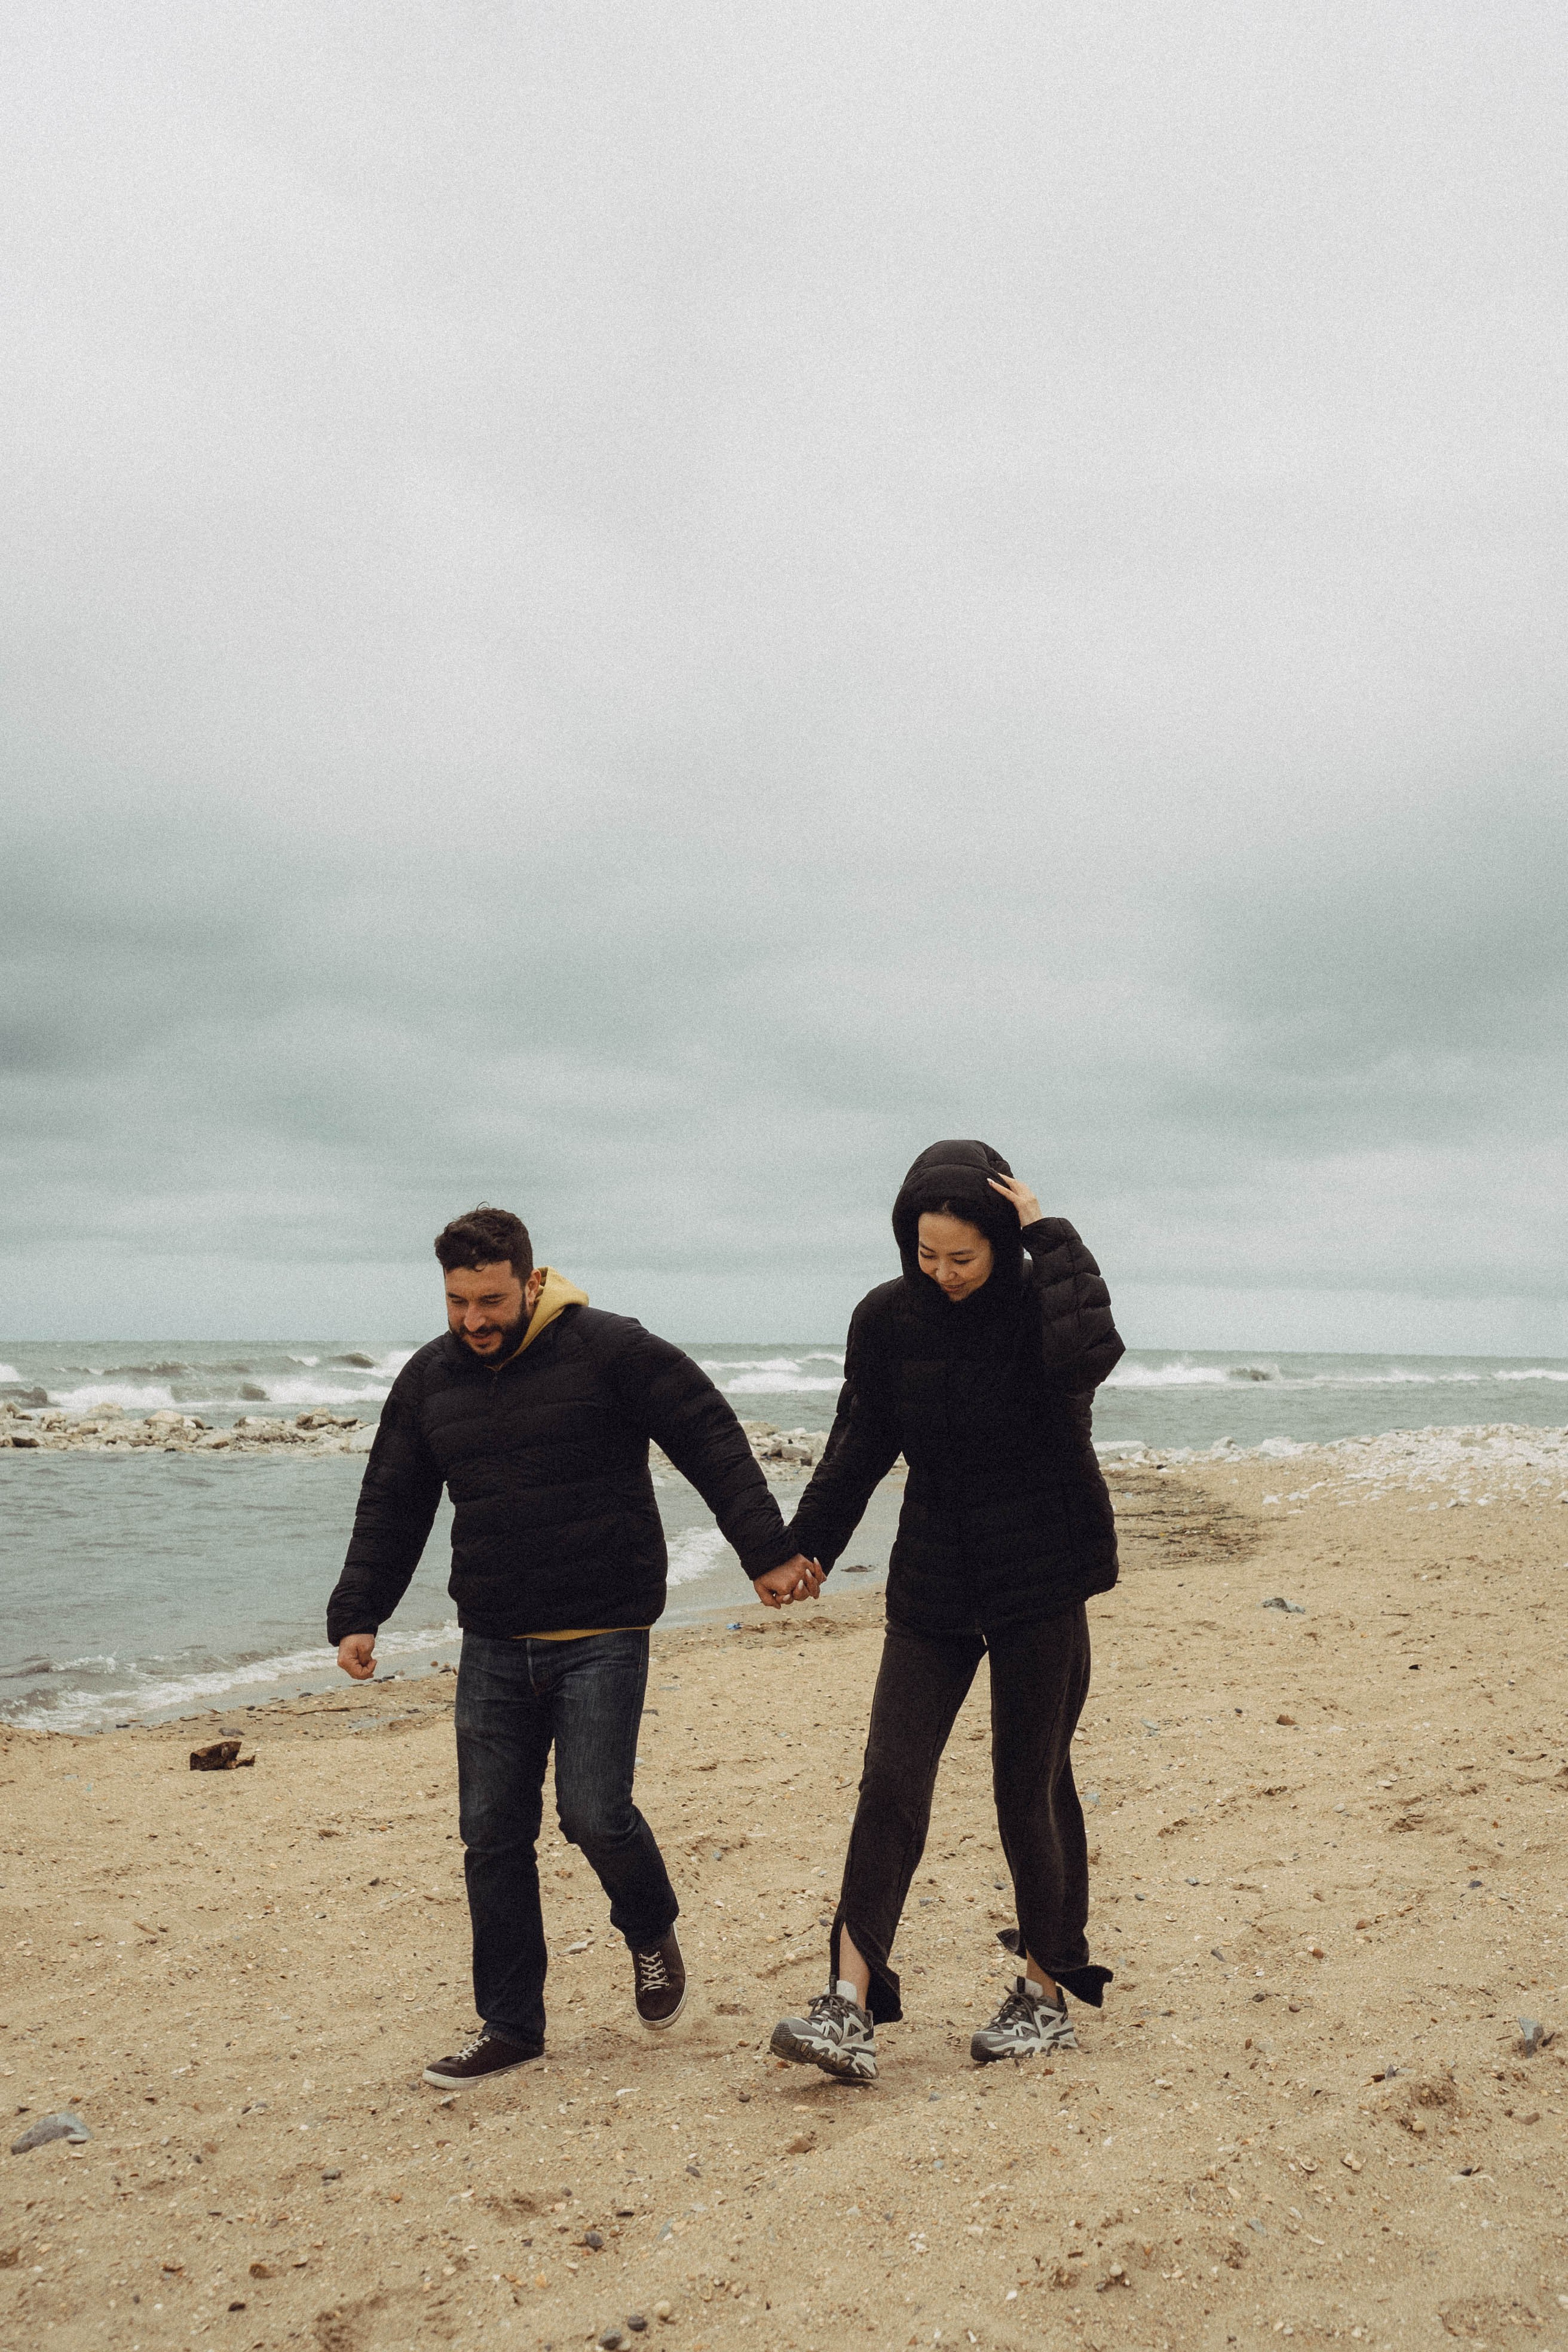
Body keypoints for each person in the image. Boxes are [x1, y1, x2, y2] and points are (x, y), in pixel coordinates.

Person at [326, 1204, 821, 2088]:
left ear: (529, 1281)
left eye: (489, 1300)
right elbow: (394, 1499)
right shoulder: (430, 1378)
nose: (473, 1320)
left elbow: (706, 1432)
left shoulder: (608, 1349)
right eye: (455, 1302)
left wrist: (769, 1551)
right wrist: (360, 1610)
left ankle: (649, 1929)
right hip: (491, 1640)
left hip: (601, 1629)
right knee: (491, 1837)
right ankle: (511, 2026)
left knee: (595, 1813)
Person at [769, 1140, 1124, 2082]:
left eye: (962, 1256)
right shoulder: (887, 1319)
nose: (943, 1273)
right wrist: (807, 1547)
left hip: (1041, 1572)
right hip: (933, 1575)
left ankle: (1045, 1995)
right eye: (927, 1254)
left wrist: (1055, 1233)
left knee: (1031, 1786)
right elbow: (859, 1441)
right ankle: (847, 2004)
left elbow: (1095, 1351)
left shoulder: (1041, 1309)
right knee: (890, 1780)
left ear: (1003, 1242)